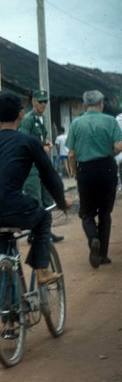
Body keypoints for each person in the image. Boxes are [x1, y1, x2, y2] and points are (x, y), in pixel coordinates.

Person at [0, 92, 69, 287]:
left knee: (2, 254)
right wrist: (61, 202)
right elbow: (50, 177)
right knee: (43, 218)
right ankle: (42, 271)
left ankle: (7, 310)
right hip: (16, 208)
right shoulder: (28, 141)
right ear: (20, 114)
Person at [65, 90, 122, 268]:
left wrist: (74, 172)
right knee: (105, 213)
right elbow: (118, 147)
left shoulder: (76, 123)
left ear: (84, 105)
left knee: (87, 213)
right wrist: (110, 152)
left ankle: (93, 239)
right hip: (107, 168)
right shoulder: (110, 121)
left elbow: (71, 154)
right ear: (102, 104)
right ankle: (103, 255)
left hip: (86, 170)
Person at [19, 90, 63, 242]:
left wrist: (46, 143)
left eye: (45, 102)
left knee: (47, 200)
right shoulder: (28, 119)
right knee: (35, 201)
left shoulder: (42, 119)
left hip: (41, 165)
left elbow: (38, 139)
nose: (43, 104)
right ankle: (34, 234)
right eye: (40, 101)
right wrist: (40, 150)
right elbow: (23, 143)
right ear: (33, 102)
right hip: (31, 168)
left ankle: (46, 232)